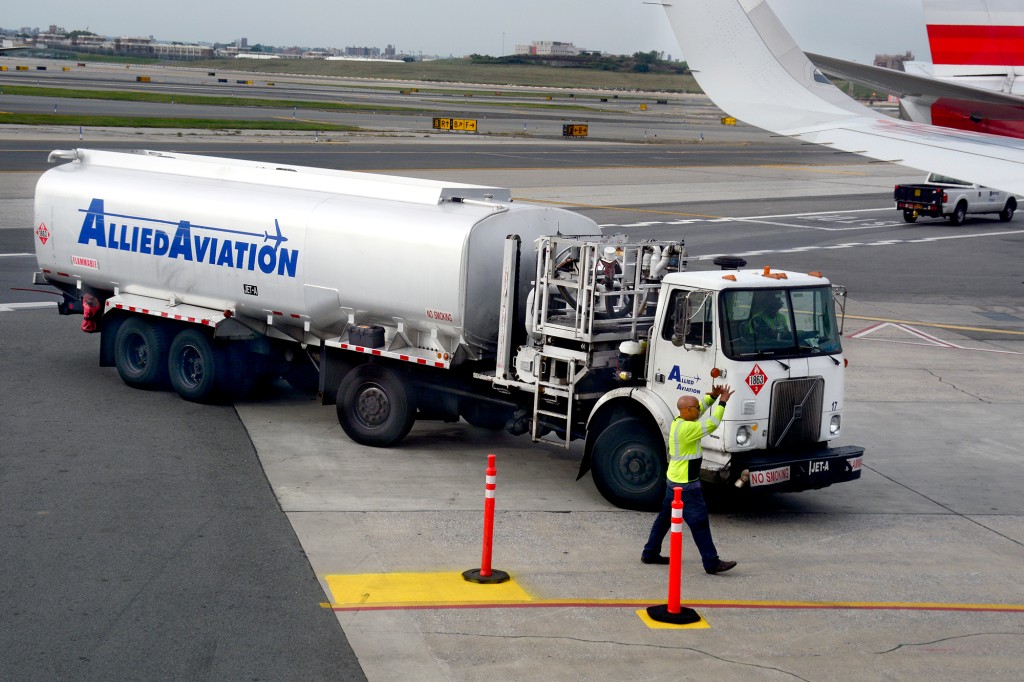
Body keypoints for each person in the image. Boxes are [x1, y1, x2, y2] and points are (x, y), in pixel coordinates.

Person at [641, 385, 737, 574]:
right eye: (695, 409)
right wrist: (723, 401)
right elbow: (712, 423)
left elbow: (700, 408)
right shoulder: (688, 429)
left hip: (673, 481)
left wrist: (712, 398)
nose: (698, 410)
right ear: (686, 410)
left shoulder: (679, 421)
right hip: (686, 485)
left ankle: (650, 552)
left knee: (664, 519)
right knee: (699, 522)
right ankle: (711, 562)